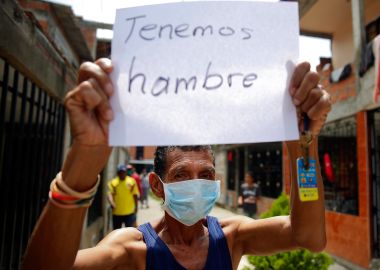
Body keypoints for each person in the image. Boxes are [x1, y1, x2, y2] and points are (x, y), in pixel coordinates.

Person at [22, 58, 331, 270]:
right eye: (182, 174)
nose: (196, 183)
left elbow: (309, 237)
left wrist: (304, 145)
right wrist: (84, 159)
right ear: (158, 185)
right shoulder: (131, 249)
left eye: (206, 174)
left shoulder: (233, 235)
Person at [107, 164, 140, 229]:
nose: (122, 174)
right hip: (117, 213)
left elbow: (135, 194)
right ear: (118, 173)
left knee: (129, 232)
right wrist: (111, 202)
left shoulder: (132, 181)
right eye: (120, 172)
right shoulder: (113, 183)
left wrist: (136, 207)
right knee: (116, 232)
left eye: (123, 172)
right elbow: (109, 194)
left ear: (126, 172)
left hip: (129, 212)